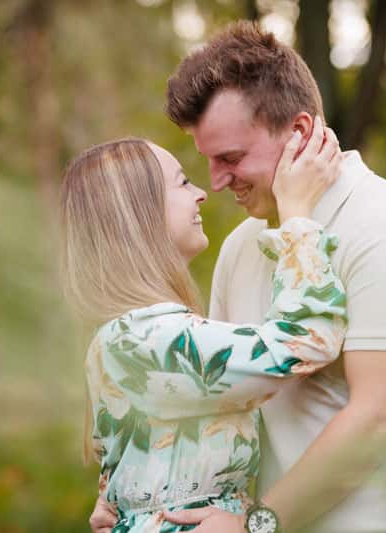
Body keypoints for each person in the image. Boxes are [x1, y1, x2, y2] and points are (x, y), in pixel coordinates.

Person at [90, 21, 386, 533]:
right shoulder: (242, 246)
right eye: (206, 161)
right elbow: (223, 402)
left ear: (298, 133)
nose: (216, 181)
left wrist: (259, 524)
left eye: (231, 157)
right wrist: (127, 497)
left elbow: (381, 418)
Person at [63, 125, 349, 532]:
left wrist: (122, 504)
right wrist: (297, 214)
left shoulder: (126, 336)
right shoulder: (148, 338)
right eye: (182, 182)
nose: (201, 192)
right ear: (139, 214)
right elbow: (304, 341)